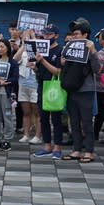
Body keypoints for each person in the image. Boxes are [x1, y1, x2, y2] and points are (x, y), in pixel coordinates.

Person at [62, 18, 100, 163]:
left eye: (77, 34)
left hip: (86, 90)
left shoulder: (90, 49)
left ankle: (89, 151)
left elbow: (97, 69)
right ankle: (76, 149)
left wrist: (93, 50)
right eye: (73, 34)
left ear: (85, 35)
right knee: (74, 122)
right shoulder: (69, 47)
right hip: (72, 89)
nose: (74, 37)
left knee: (86, 122)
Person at [32, 25, 64, 159]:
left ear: (56, 35)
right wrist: (34, 67)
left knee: (56, 118)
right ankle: (47, 146)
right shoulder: (41, 49)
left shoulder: (60, 50)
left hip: (54, 87)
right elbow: (39, 69)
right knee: (43, 117)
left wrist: (43, 61)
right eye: (44, 34)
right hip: (42, 85)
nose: (46, 37)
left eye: (49, 35)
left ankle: (57, 147)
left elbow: (58, 71)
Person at [14, 30, 42, 145]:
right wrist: (24, 45)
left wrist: (33, 38)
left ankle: (38, 135)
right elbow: (15, 59)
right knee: (26, 111)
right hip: (23, 82)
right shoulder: (24, 49)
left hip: (35, 83)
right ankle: (26, 134)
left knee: (37, 112)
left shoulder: (41, 50)